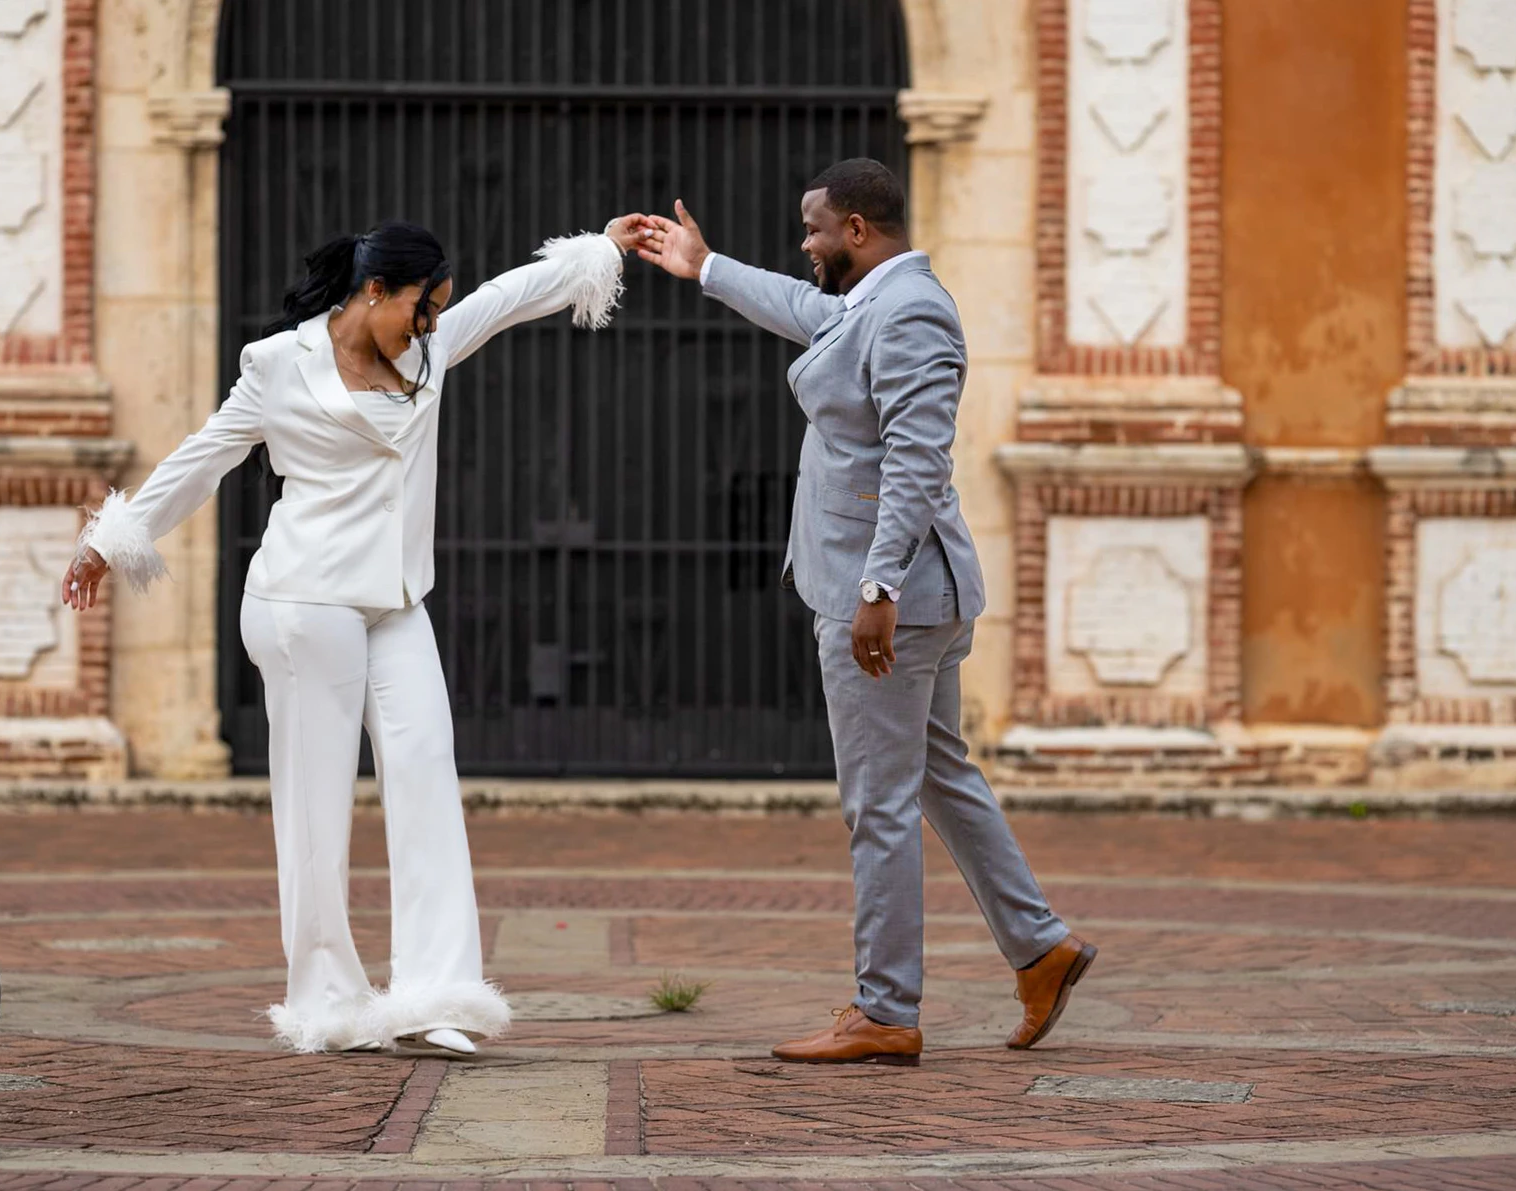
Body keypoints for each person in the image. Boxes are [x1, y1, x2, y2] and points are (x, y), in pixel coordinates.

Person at [62, 215, 651, 1057]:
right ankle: (326, 1000)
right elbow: (204, 456)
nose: (432, 324)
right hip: (304, 602)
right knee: (315, 803)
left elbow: (507, 297)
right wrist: (108, 541)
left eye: (437, 311)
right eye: (419, 307)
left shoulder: (428, 350)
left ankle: (435, 993)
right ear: (373, 291)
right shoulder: (275, 365)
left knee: (425, 774)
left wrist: (603, 248)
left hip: (398, 600)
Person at [637, 159, 1095, 1066]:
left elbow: (917, 459)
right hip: (908, 594)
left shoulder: (912, 310)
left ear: (854, 229)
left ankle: (885, 1008)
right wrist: (703, 266)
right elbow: (805, 313)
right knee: (938, 776)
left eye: (812, 230)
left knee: (877, 805)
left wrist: (875, 590)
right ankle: (1039, 947)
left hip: (889, 601)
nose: (802, 246)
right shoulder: (869, 301)